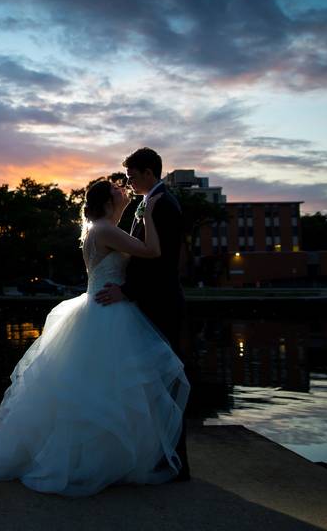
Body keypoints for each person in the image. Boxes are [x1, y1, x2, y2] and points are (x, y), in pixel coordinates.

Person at [0, 177, 190, 497]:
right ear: (106, 201)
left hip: (98, 306)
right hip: (108, 313)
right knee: (105, 390)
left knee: (95, 390)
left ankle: (98, 457)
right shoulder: (105, 229)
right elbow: (153, 250)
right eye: (118, 190)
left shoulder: (97, 229)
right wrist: (147, 215)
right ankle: (94, 462)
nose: (124, 192)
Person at [96, 147, 190, 480]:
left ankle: (173, 461)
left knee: (164, 381)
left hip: (159, 302)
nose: (129, 181)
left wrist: (128, 291)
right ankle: (159, 453)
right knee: (152, 382)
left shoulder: (163, 204)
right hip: (148, 303)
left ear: (149, 172)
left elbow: (160, 263)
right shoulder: (149, 203)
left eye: (133, 176)